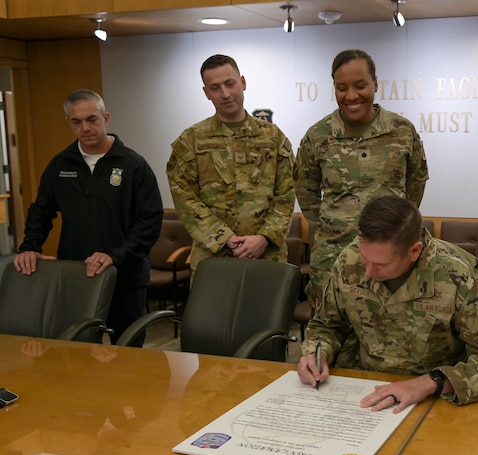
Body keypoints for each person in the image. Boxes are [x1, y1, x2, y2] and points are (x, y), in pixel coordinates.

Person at [297, 195, 478, 412]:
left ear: (414, 251)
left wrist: (430, 383)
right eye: (366, 259)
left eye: (381, 264)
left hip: (435, 398)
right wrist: (316, 354)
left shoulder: (456, 276)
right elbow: (327, 325)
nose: (368, 272)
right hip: (362, 388)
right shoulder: (350, 259)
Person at [14, 89, 163, 346]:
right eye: (77, 121)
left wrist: (115, 255)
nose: (85, 127)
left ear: (105, 118)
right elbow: (41, 211)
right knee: (77, 350)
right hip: (77, 277)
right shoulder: (60, 165)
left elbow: (149, 222)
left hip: (125, 277)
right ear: (69, 123)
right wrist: (30, 247)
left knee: (129, 354)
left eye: (92, 119)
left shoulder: (133, 165)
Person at [293, 49, 429, 306]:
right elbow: (305, 190)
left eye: (360, 85)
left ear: (375, 84)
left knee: (389, 335)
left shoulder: (402, 131)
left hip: (389, 256)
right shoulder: (318, 136)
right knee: (330, 333)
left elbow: (416, 184)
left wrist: (394, 227)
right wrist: (333, 224)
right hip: (332, 257)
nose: (351, 96)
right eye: (342, 87)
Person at [167, 54, 295, 276]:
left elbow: (286, 193)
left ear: (243, 82)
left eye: (230, 84)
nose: (225, 94)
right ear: (206, 93)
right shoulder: (192, 140)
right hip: (213, 258)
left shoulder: (273, 137)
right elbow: (184, 197)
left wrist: (264, 237)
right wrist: (223, 237)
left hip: (265, 257)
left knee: (265, 311)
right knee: (212, 312)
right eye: (215, 88)